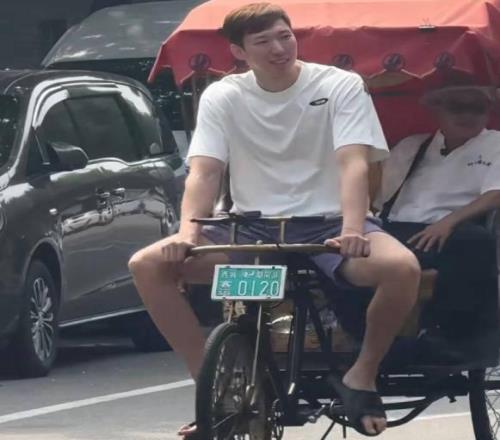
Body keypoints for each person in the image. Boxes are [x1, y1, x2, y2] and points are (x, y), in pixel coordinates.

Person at [128, 3, 420, 437]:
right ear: (239, 51)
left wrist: (352, 229)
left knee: (402, 269)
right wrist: (188, 232)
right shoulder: (224, 95)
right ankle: (215, 388)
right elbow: (205, 171)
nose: (279, 48)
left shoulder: (338, 84)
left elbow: (353, 163)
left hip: (328, 225)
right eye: (263, 41)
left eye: (285, 36)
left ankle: (362, 374)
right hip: (250, 227)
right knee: (147, 265)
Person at [376, 79, 500, 348]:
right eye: (457, 107)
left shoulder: (495, 143)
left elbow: (496, 193)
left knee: (474, 243)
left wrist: (448, 222)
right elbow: (379, 197)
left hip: (456, 231)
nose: (467, 114)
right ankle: (356, 334)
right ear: (437, 109)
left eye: (477, 108)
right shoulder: (411, 146)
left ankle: (446, 335)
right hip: (397, 229)